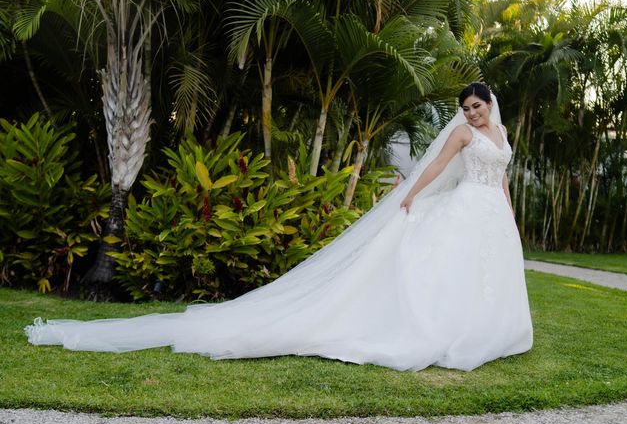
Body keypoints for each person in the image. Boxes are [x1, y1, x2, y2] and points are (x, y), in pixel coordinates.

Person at [25, 82, 533, 372]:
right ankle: (445, 332)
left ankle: (484, 332)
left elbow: (503, 178)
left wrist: (508, 215)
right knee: (448, 268)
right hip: (464, 204)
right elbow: (434, 168)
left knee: (480, 274)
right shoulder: (463, 137)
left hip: (490, 212)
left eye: (477, 106)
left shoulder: (502, 133)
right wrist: (412, 196)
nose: (471, 113)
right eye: (465, 108)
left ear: (490, 104)